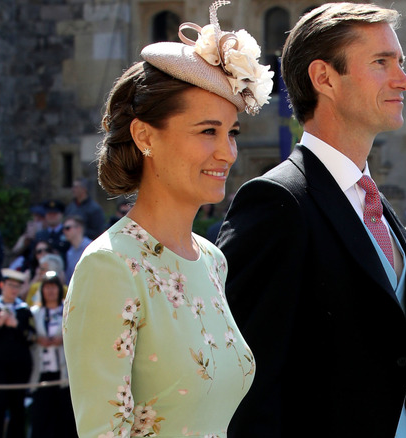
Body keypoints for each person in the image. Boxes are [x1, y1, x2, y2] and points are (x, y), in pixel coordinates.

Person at [217, 4, 406, 436]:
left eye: (401, 62)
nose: (404, 80)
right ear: (324, 78)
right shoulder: (276, 203)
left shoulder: (374, 204)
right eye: (382, 62)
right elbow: (247, 391)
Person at [63, 2, 270, 436]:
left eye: (232, 132)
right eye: (207, 131)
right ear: (144, 136)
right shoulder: (110, 267)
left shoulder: (213, 259)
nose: (227, 152)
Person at [0, 269, 35, 438]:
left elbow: (31, 337)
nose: (14, 290)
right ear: (2, 285)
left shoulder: (23, 310)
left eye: (17, 286)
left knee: (17, 406)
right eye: (10, 285)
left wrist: (16, 325)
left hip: (19, 365)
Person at [29, 272, 76, 438]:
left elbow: (78, 335)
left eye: (54, 286)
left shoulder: (69, 310)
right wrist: (36, 338)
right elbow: (26, 335)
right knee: (41, 419)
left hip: (64, 375)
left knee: (65, 420)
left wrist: (62, 339)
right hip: (41, 372)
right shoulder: (34, 313)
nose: (50, 291)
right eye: (47, 287)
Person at [62, 215, 91, 284]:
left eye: (67, 228)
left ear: (79, 228)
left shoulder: (91, 247)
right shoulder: (69, 253)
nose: (64, 231)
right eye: (63, 229)